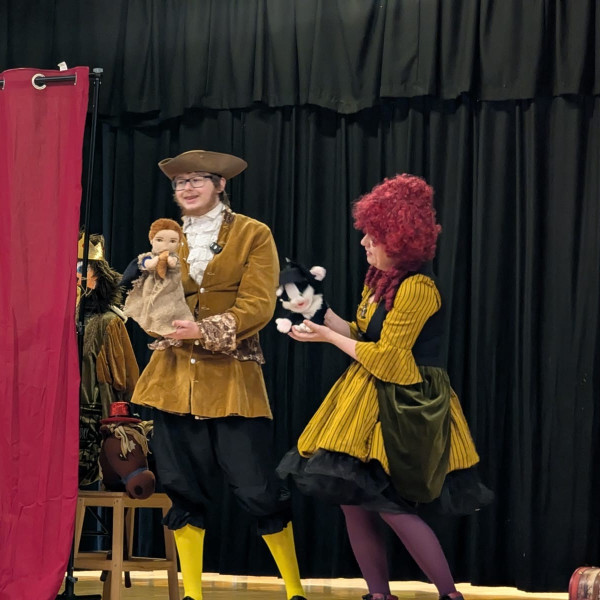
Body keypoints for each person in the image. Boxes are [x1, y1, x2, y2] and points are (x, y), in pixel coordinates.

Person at [277, 174, 492, 600]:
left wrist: (330, 337)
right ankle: (379, 595)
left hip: (406, 402)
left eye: (373, 237)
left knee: (389, 504)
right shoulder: (379, 281)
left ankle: (450, 595)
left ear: (399, 240)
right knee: (352, 501)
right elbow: (363, 335)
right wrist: (318, 313)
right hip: (368, 395)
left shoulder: (419, 288)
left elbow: (392, 359)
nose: (364, 243)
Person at [131, 150, 307, 600]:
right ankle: (192, 594)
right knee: (181, 486)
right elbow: (150, 295)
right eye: (180, 182)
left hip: (231, 380)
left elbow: (259, 305)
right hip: (173, 381)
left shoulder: (252, 233)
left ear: (220, 184)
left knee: (256, 487)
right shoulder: (168, 239)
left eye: (197, 180)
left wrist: (204, 329)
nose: (187, 188)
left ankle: (295, 590)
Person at [76, 233, 139, 486]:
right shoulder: (58, 321)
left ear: (98, 275)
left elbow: (126, 379)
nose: (77, 276)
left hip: (91, 416)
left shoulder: (109, 323)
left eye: (83, 268)